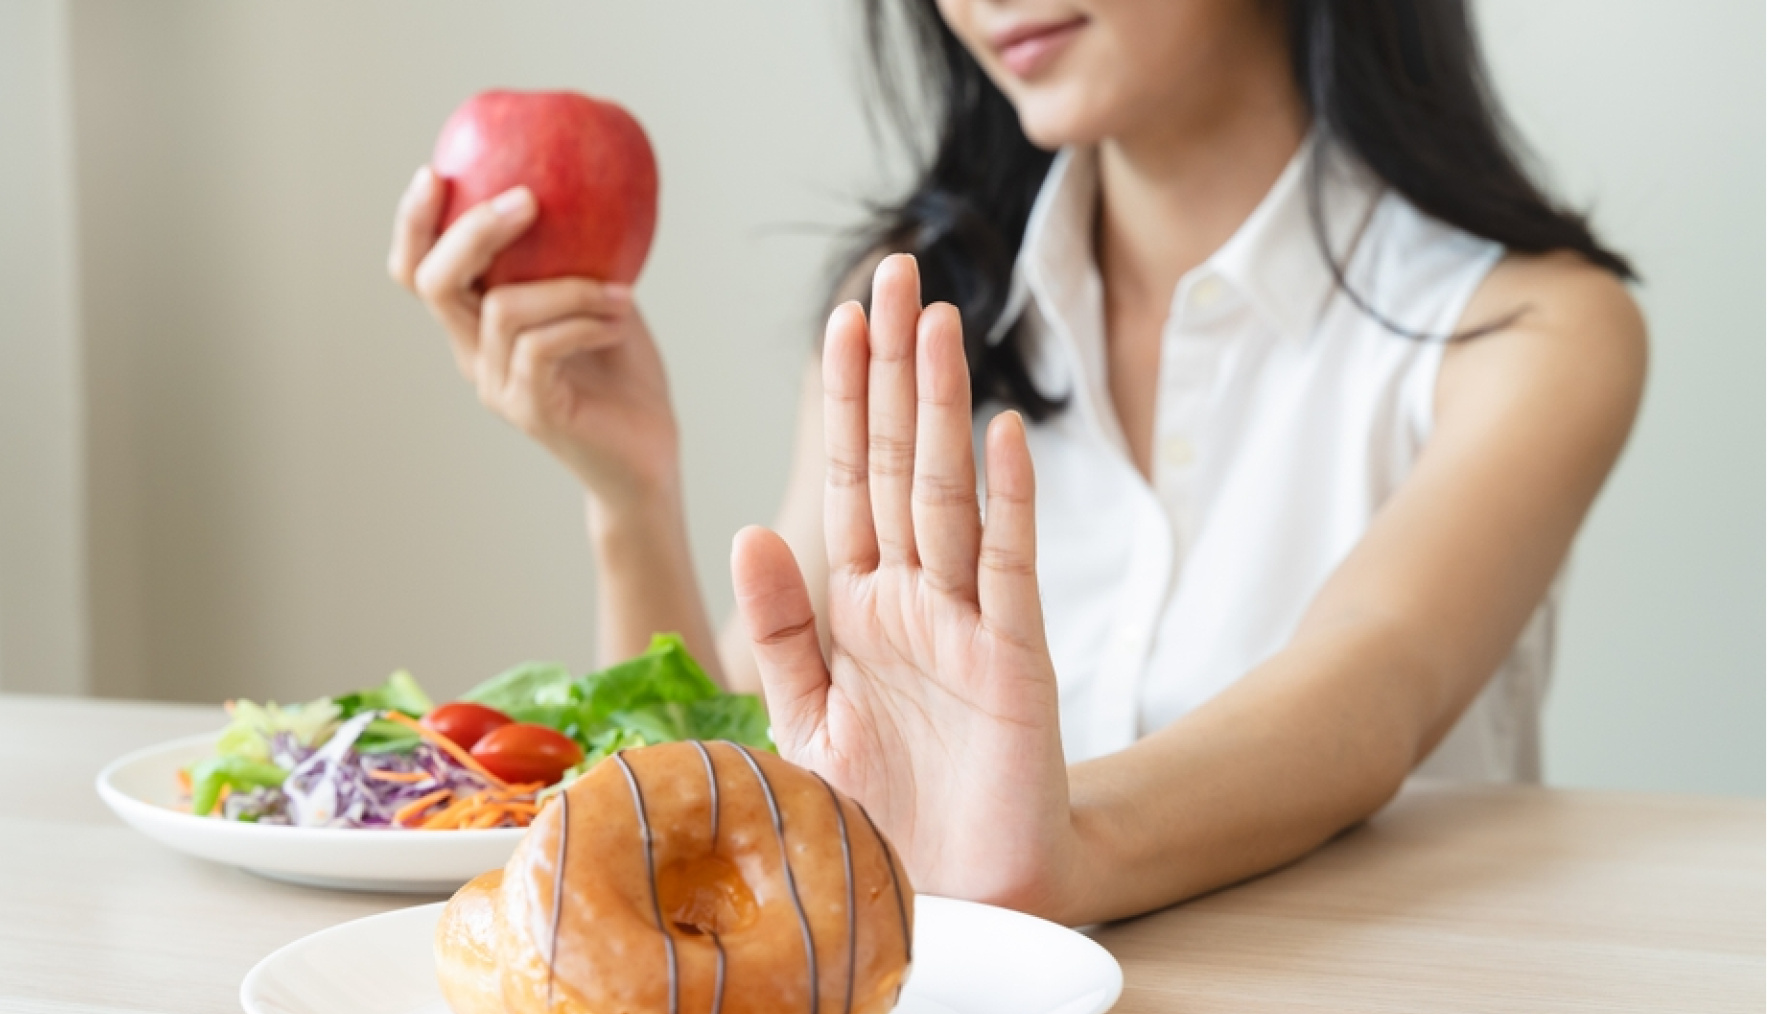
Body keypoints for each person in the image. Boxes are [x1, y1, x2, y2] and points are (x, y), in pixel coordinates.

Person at [385, 0, 1645, 925]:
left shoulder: (1532, 331)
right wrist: (629, 494)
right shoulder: (911, 308)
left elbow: (1371, 685)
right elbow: (722, 771)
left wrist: (1060, 847)